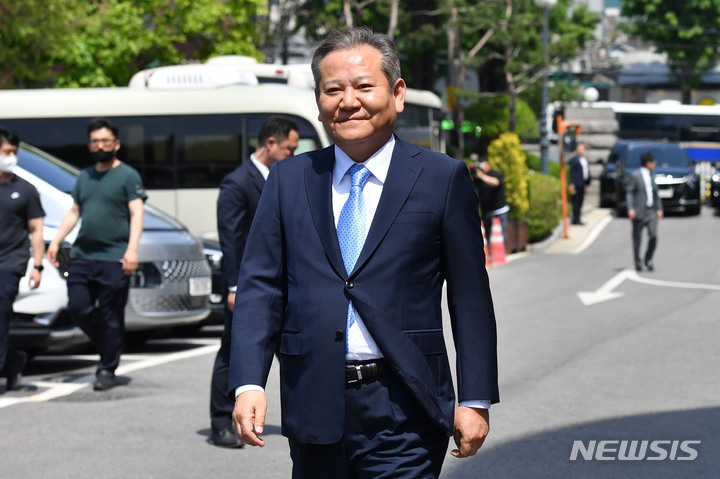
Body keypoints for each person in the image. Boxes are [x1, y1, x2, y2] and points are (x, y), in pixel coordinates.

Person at [229, 27, 499, 478]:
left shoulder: (441, 178)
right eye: (333, 89)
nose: (347, 101)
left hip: (406, 404)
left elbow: (470, 298)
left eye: (363, 86)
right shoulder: (289, 180)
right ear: (318, 101)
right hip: (315, 400)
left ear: (396, 93)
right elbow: (261, 287)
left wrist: (474, 398)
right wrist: (248, 381)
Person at [208, 116, 299, 448]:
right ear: (271, 144)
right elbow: (231, 240)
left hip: (285, 285)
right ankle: (221, 421)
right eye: (289, 149)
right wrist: (234, 288)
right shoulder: (237, 183)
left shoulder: (285, 179)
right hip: (248, 287)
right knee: (233, 353)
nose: (293, 154)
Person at [47, 118, 147, 391]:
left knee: (111, 315)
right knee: (78, 308)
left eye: (105, 141)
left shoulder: (128, 176)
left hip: (114, 256)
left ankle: (107, 368)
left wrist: (132, 249)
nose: (100, 146)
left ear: (116, 144)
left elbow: (137, 213)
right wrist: (56, 240)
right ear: (90, 145)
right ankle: (108, 343)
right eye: (95, 141)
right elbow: (75, 211)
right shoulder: (85, 176)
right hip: (82, 255)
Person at [0, 128, 44, 392]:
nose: (11, 157)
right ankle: (14, 360)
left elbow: (36, 230)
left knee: (1, 312)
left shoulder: (26, 190)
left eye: (14, 152)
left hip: (10, 262)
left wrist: (37, 266)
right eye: (6, 152)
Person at [626, 151, 663, 272]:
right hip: (639, 211)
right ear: (647, 163)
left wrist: (659, 208)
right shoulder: (636, 176)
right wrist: (630, 208)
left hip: (651, 211)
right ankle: (637, 261)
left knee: (654, 235)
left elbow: (656, 194)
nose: (654, 164)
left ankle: (648, 259)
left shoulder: (653, 175)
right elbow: (629, 192)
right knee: (637, 239)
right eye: (653, 162)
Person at [472, 157, 509, 255]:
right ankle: (491, 254)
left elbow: (496, 182)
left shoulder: (494, 173)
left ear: (487, 163)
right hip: (487, 211)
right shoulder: (478, 178)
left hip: (500, 210)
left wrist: (482, 176)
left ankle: (503, 253)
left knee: (502, 234)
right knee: (487, 234)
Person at [568, 142, 591, 225]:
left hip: (583, 183)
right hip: (576, 183)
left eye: (582, 148)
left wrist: (588, 183)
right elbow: (572, 173)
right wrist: (571, 184)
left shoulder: (585, 159)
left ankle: (578, 218)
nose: (581, 150)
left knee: (580, 202)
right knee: (576, 202)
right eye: (579, 148)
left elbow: (587, 172)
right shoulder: (574, 160)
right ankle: (575, 219)